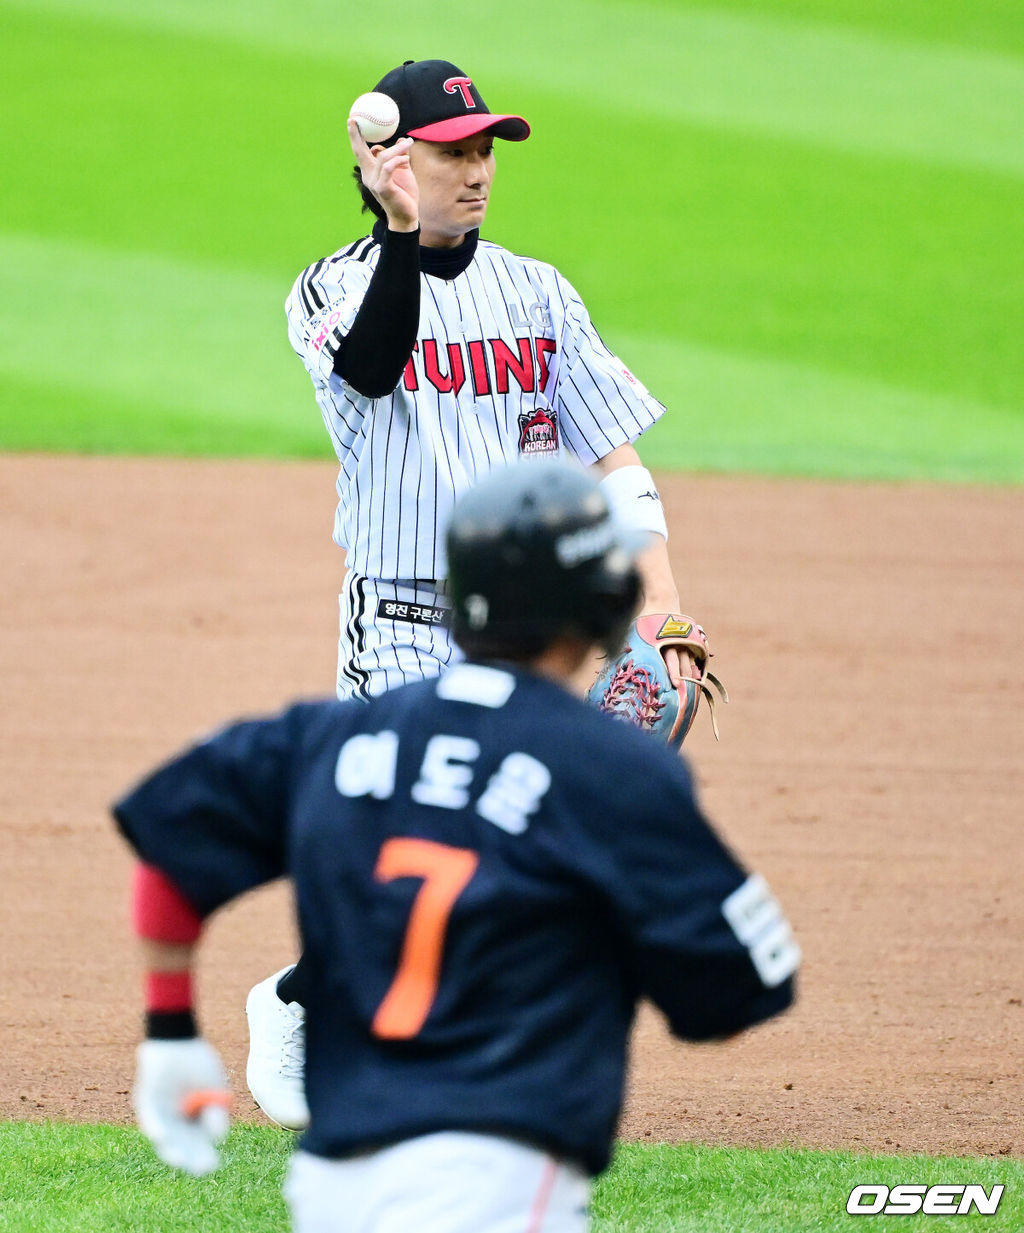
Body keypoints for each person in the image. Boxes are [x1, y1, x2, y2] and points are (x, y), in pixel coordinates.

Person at [117, 461, 799, 1232]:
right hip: (499, 1189)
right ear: (603, 608)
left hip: (330, 1189)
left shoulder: (326, 737)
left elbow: (171, 847)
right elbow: (727, 1004)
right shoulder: (612, 773)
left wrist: (170, 1035)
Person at [256, 56, 709, 1131]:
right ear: (389, 164)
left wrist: (663, 608)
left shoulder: (538, 291)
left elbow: (614, 461)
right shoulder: (331, 286)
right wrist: (404, 232)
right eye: (452, 151)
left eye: (483, 149)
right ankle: (306, 1010)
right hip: (401, 618)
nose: (476, 170)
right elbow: (370, 367)